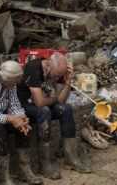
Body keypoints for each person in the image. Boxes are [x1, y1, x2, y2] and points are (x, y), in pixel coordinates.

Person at [17, 52, 91, 180]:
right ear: (49, 66)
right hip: (23, 105)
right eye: (56, 76)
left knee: (65, 109)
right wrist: (53, 98)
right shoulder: (34, 67)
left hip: (43, 104)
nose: (57, 78)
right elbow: (39, 103)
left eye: (59, 76)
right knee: (44, 111)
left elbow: (61, 101)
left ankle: (71, 157)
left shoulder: (57, 71)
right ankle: (45, 164)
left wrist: (68, 82)